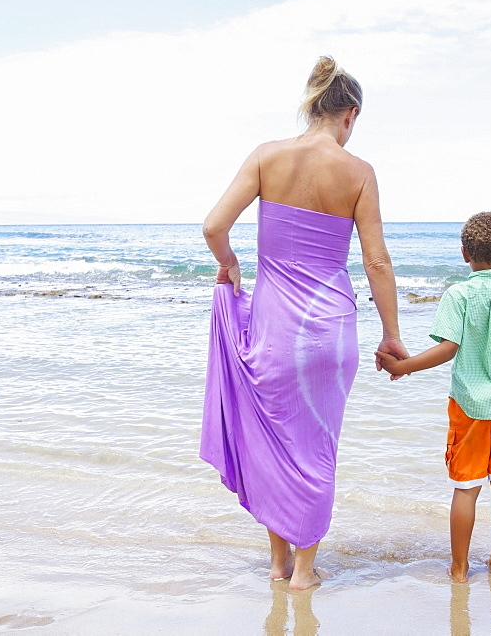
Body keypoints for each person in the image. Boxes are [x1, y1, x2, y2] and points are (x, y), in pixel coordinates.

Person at [200, 56, 407, 591]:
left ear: (312, 106)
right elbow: (376, 261)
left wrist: (230, 265)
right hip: (329, 332)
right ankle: (306, 573)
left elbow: (213, 225)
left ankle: (277, 564)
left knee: (274, 443)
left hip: (272, 327)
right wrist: (392, 335)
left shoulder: (268, 157)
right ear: (350, 114)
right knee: (316, 449)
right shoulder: (359, 172)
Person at [375, 211, 491, 583]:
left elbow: (448, 348)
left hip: (469, 404)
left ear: (464, 253)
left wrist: (405, 367)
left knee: (466, 489)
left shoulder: (458, 294)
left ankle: (458, 568)